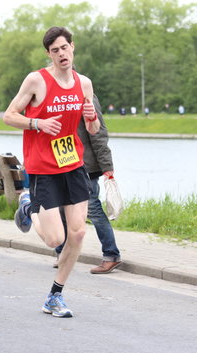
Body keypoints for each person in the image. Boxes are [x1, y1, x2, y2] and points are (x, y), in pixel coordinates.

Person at [3, 26, 100, 318]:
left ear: (73, 48)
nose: (61, 54)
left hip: (72, 164)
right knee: (54, 239)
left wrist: (92, 119)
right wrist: (38, 124)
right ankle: (27, 206)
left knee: (79, 233)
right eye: (55, 50)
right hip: (43, 166)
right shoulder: (37, 80)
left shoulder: (84, 83)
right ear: (49, 54)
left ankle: (55, 297)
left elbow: (93, 129)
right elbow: (9, 116)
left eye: (64, 47)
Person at [54, 94, 122, 274]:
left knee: (92, 208)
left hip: (85, 165)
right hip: (64, 163)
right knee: (61, 208)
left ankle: (111, 255)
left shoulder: (85, 96)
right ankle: (63, 254)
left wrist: (107, 166)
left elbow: (99, 134)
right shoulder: (55, 96)